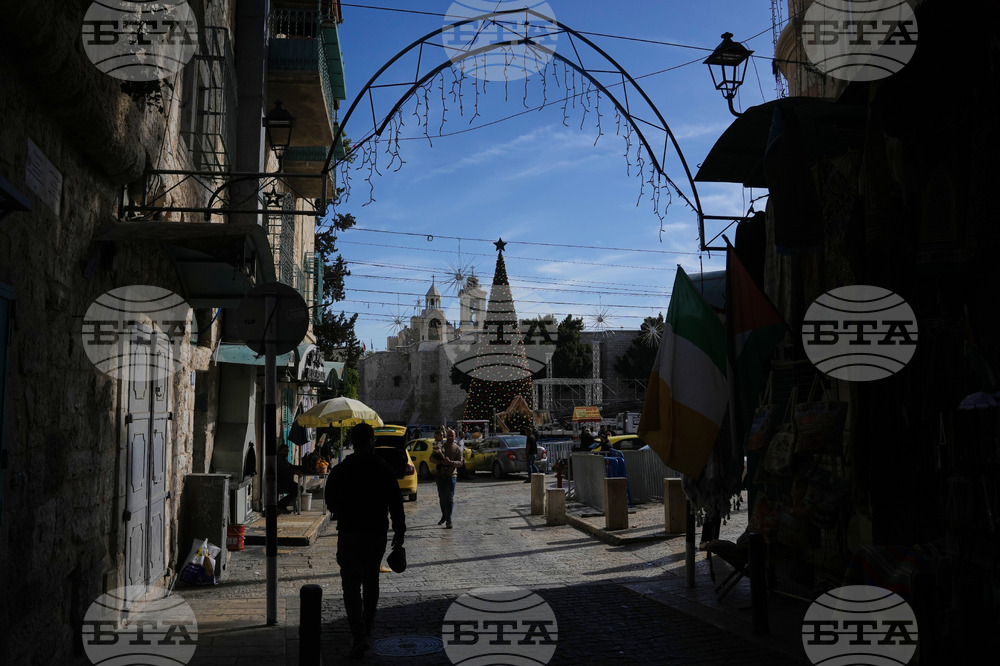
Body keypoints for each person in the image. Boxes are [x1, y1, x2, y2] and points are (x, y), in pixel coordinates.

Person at [325, 423, 406, 659]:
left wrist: (345, 508)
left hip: (349, 532)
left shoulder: (342, 469)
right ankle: (367, 629)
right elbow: (396, 504)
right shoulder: (382, 468)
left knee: (350, 584)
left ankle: (358, 634)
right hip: (375, 534)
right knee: (371, 581)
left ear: (353, 441)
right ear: (371, 441)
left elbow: (331, 502)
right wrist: (399, 533)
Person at [429, 428, 464, 528]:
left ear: (454, 437)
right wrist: (441, 462)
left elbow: (460, 463)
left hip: (451, 476)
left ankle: (449, 519)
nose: (449, 437)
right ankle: (444, 515)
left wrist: (451, 463)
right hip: (440, 476)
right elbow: (431, 458)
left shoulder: (457, 449)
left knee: (449, 498)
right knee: (442, 498)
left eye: (451, 436)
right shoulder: (440, 446)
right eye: (448, 435)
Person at [276, 443, 301, 514]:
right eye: (285, 451)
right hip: (281, 483)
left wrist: (301, 468)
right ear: (280, 451)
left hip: (286, 482)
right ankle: (281, 504)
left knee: (298, 488)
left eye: (287, 451)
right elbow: (285, 470)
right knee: (298, 489)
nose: (286, 453)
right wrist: (295, 471)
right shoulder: (278, 460)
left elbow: (291, 466)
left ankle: (282, 505)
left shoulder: (283, 460)